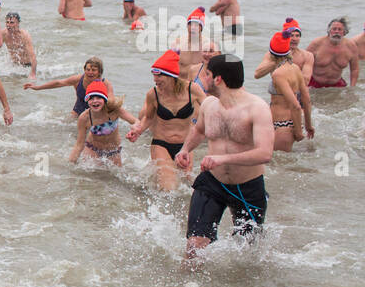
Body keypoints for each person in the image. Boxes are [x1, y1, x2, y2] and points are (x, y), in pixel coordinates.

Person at [175, 55, 274, 265]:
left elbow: (265, 153)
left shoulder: (257, 108)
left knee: (247, 255)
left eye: (207, 74)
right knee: (195, 246)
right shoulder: (209, 104)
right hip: (212, 182)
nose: (203, 78)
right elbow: (199, 130)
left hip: (248, 187)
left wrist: (222, 158)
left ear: (218, 79)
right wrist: (185, 149)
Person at [125, 50, 207, 191]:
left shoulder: (191, 89)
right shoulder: (153, 94)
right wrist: (138, 130)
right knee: (168, 188)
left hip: (185, 145)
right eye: (154, 75)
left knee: (188, 187)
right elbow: (149, 118)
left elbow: (210, 108)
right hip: (161, 144)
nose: (155, 80)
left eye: (159, 75)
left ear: (171, 76)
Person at [251, 32, 311, 153]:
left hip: (283, 125)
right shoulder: (295, 68)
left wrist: (299, 132)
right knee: (283, 168)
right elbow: (306, 99)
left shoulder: (278, 74)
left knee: (277, 167)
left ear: (271, 53)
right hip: (288, 124)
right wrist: (308, 126)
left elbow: (295, 105)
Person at [69, 82, 136, 167]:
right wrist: (70, 164)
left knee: (115, 178)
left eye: (98, 98)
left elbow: (136, 122)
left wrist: (134, 130)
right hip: (92, 148)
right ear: (87, 100)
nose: (95, 101)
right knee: (89, 176)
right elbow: (79, 144)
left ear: (104, 99)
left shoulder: (114, 110)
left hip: (113, 151)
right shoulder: (84, 118)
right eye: (91, 98)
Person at [23, 57, 110, 120]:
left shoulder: (104, 83)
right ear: (84, 69)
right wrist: (37, 87)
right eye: (88, 69)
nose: (90, 72)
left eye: (93, 70)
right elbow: (58, 83)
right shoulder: (78, 79)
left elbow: (112, 101)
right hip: (78, 111)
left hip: (98, 114)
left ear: (99, 72)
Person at [306, 18, 360, 88]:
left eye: (340, 29)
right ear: (329, 31)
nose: (336, 32)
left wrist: (352, 88)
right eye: (334, 29)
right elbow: (304, 63)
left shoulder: (351, 47)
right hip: (314, 83)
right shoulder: (316, 44)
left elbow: (354, 69)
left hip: (336, 84)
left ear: (344, 32)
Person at [176, 7, 220, 81]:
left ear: (201, 27)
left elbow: (217, 68)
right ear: (187, 26)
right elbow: (169, 65)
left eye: (196, 25)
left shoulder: (208, 46)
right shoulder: (178, 43)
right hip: (180, 85)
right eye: (190, 24)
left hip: (199, 86)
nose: (193, 27)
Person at [2, 12, 37, 79]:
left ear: (18, 23)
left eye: (12, 22)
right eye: (7, 22)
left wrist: (33, 73)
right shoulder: (4, 34)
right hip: (15, 66)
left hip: (27, 67)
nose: (8, 25)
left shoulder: (24, 36)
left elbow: (32, 56)